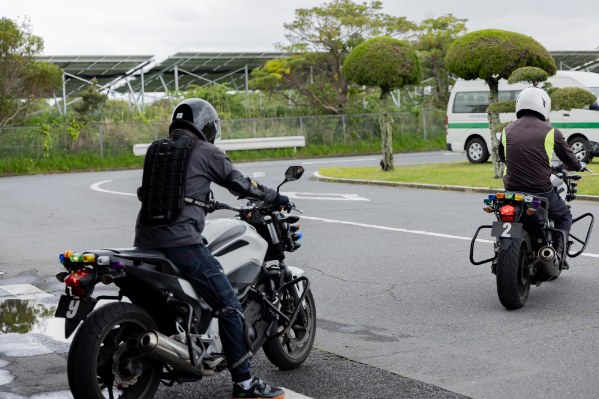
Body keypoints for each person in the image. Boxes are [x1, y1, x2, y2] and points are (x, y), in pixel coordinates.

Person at [134, 98, 288, 399]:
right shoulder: (206, 151)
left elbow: (169, 190)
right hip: (181, 244)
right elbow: (241, 185)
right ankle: (245, 384)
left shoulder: (156, 150)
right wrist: (273, 196)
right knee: (229, 305)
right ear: (207, 126)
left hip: (144, 243)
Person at [497, 87, 587, 264]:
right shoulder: (551, 131)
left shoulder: (507, 130)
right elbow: (570, 160)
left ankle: (501, 249)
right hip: (541, 191)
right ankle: (559, 255)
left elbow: (502, 157)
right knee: (564, 216)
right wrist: (579, 165)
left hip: (512, 191)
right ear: (544, 106)